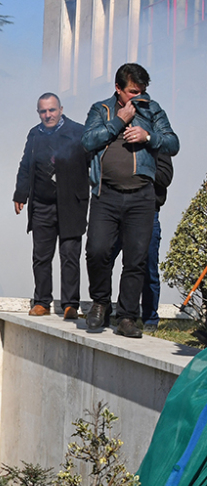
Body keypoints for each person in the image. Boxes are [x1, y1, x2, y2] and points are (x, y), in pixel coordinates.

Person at [82, 63, 179, 337]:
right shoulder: (101, 110)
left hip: (141, 197)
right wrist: (119, 121)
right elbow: (88, 141)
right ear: (118, 89)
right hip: (106, 195)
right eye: (132, 92)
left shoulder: (153, 109)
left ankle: (127, 317)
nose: (139, 97)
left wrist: (148, 136)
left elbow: (173, 143)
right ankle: (101, 303)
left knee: (136, 260)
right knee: (97, 251)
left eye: (142, 91)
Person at [13, 93, 90, 319]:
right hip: (41, 205)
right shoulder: (35, 134)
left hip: (71, 205)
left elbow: (92, 164)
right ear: (39, 113)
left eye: (52, 110)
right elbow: (26, 165)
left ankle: (70, 304)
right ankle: (42, 302)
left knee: (69, 255)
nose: (48, 115)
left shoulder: (79, 132)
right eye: (43, 111)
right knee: (41, 256)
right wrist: (20, 193)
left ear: (61, 109)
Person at [110, 154, 174, 332]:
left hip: (148, 212)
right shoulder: (119, 139)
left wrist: (140, 169)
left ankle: (150, 319)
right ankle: (105, 309)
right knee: (102, 258)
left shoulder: (158, 142)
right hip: (116, 211)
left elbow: (165, 176)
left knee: (148, 268)